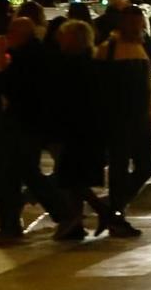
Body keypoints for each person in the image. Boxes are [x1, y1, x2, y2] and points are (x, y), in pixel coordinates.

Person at [0, 15, 68, 241]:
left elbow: (11, 87)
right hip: (33, 123)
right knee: (24, 172)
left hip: (20, 122)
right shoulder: (40, 55)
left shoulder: (21, 58)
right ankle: (14, 224)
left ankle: (57, 213)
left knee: (16, 173)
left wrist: (0, 73)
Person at [49, 19, 116, 241]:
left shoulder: (74, 64)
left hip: (77, 129)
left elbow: (70, 98)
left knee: (70, 177)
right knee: (74, 176)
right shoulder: (91, 62)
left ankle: (98, 212)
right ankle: (78, 220)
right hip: (86, 128)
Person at [92, 7, 151, 238]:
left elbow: (148, 85)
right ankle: (116, 212)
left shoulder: (140, 48)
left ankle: (113, 210)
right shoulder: (107, 49)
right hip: (117, 120)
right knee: (119, 170)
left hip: (137, 119)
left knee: (146, 165)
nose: (137, 28)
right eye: (134, 23)